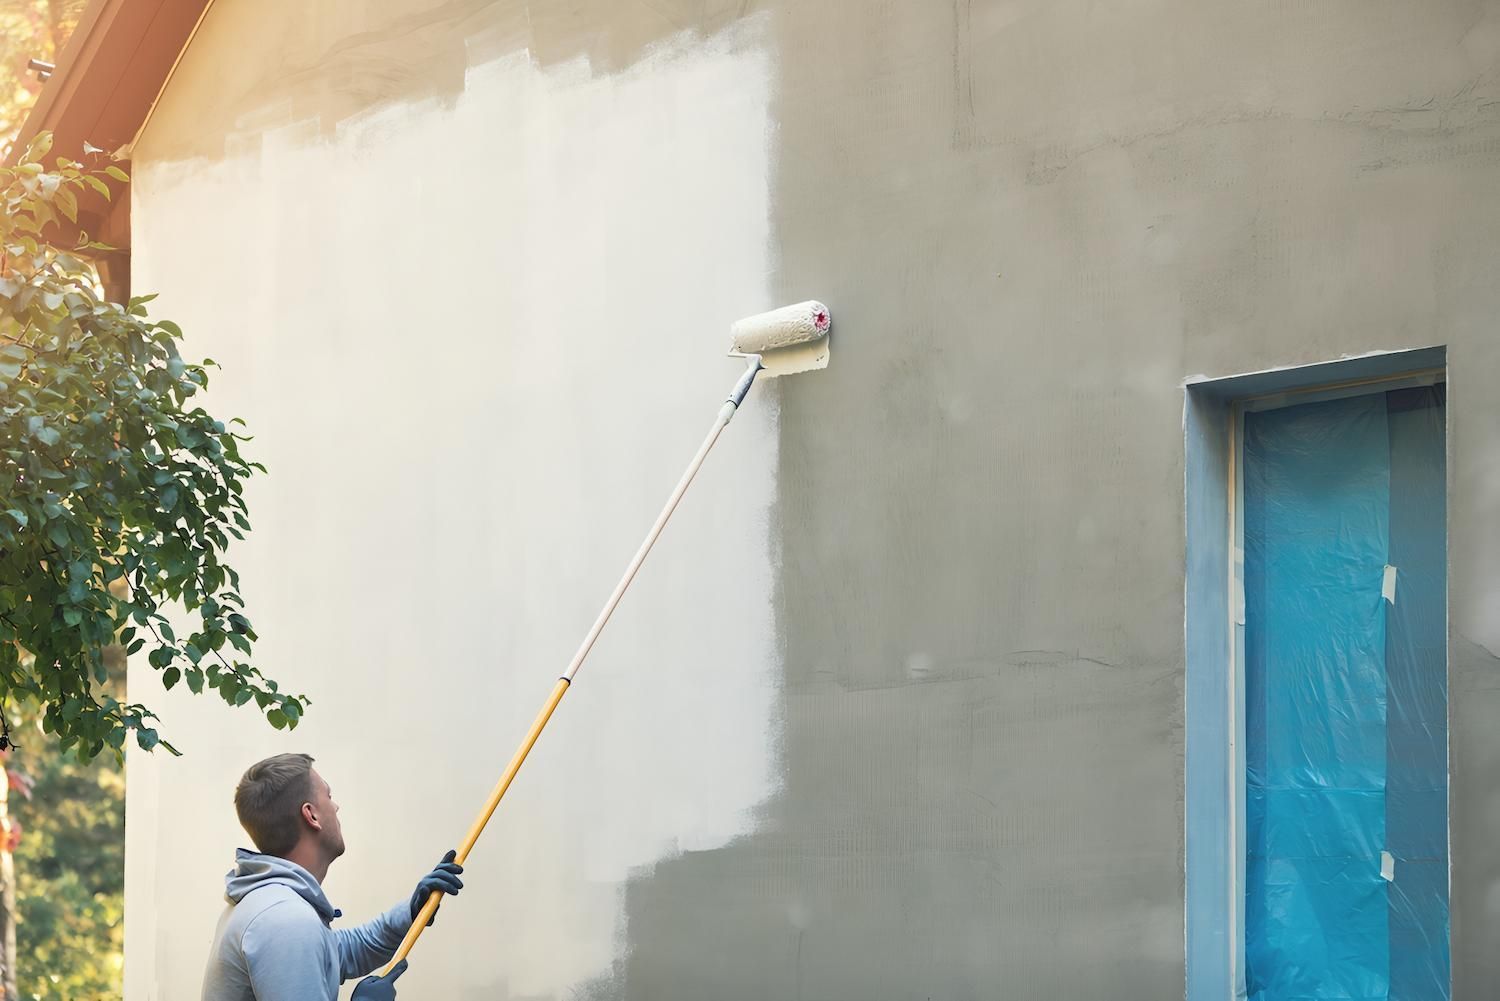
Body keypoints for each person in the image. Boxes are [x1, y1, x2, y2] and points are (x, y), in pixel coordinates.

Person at [201, 753, 464, 1000]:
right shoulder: (284, 920)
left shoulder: (272, 906)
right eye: (328, 795)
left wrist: (412, 911)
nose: (336, 807)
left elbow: (344, 951)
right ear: (311, 815)